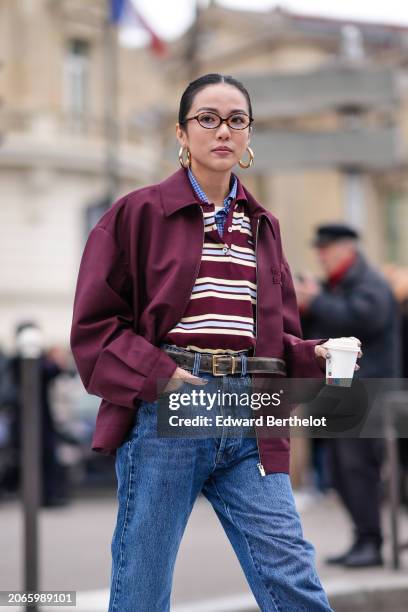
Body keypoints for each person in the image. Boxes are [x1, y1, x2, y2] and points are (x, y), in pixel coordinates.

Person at [70, 74, 356, 611]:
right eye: (207, 119)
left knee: (291, 572)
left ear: (249, 135)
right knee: (143, 584)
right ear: (182, 132)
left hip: (250, 409)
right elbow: (94, 326)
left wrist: (310, 353)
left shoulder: (263, 224)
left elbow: (270, 336)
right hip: (173, 405)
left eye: (236, 120)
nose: (222, 131)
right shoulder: (138, 213)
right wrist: (158, 374)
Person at [296, 223, 401, 568]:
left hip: (367, 390)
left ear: (345, 249)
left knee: (358, 469)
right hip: (343, 390)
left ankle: (371, 542)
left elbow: (363, 321)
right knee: (341, 470)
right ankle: (362, 538)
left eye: (326, 249)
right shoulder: (338, 285)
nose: (321, 256)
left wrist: (317, 301)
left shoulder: (367, 282)